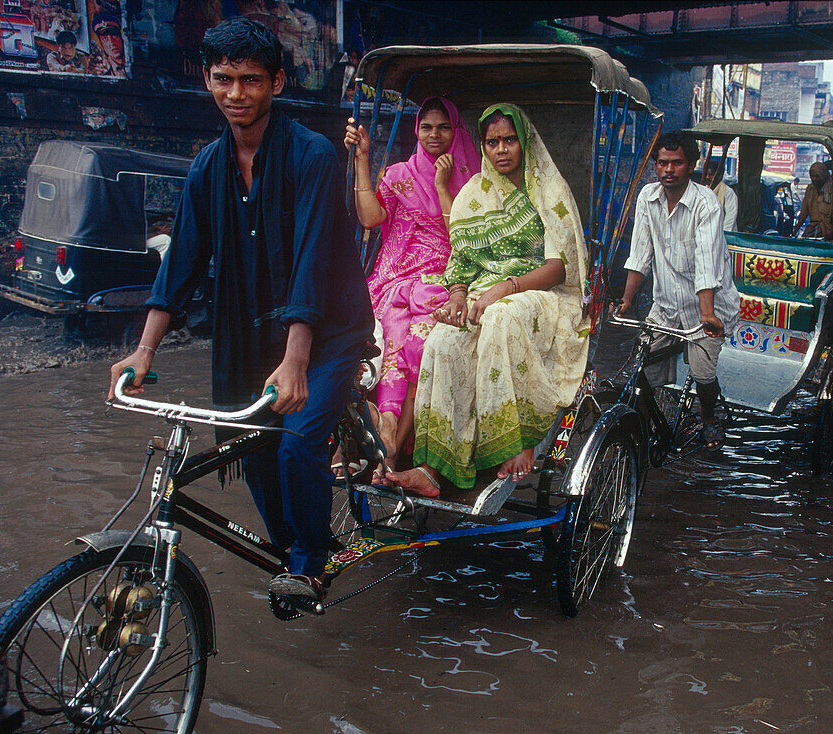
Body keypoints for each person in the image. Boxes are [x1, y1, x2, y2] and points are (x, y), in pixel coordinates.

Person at [107, 17, 372, 603]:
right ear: (207, 80)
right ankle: (295, 547)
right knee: (249, 449)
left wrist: (297, 358)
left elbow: (311, 262)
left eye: (250, 80)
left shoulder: (312, 156)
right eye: (223, 79)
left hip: (327, 332)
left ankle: (309, 563)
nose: (236, 95)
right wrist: (144, 350)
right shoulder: (207, 166)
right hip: (249, 334)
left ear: (277, 83)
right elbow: (180, 265)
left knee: (297, 443)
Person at [386, 104, 589, 497]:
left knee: (501, 318)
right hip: (485, 294)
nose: (501, 149)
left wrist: (506, 288)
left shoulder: (548, 190)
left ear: (523, 141)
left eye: (509, 139)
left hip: (542, 295)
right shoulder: (474, 195)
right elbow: (460, 261)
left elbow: (559, 267)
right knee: (441, 340)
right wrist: (458, 296)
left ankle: (518, 439)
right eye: (492, 141)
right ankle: (431, 466)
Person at [344, 97, 480, 475]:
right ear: (416, 131)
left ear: (455, 131)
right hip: (396, 276)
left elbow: (464, 237)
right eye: (426, 127)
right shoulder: (399, 174)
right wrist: (361, 159)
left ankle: (395, 443)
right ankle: (385, 431)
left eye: (442, 127)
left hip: (446, 274)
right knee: (388, 330)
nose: (434, 135)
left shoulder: (472, 181)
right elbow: (372, 218)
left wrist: (440, 184)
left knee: (420, 340)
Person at [617, 131, 740, 448]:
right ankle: (645, 429)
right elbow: (640, 253)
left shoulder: (706, 204)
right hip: (667, 304)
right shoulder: (647, 197)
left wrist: (708, 314)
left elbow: (707, 263)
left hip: (708, 308)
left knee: (702, 374)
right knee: (641, 366)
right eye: (662, 163)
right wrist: (627, 301)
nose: (668, 170)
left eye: (676, 163)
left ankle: (710, 417)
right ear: (655, 165)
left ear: (691, 165)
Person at [793, 161, 833, 240]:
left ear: (823, 176)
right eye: (812, 176)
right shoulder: (810, 189)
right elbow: (804, 213)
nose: (814, 179)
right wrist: (794, 232)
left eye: (817, 176)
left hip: (828, 231)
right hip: (813, 229)